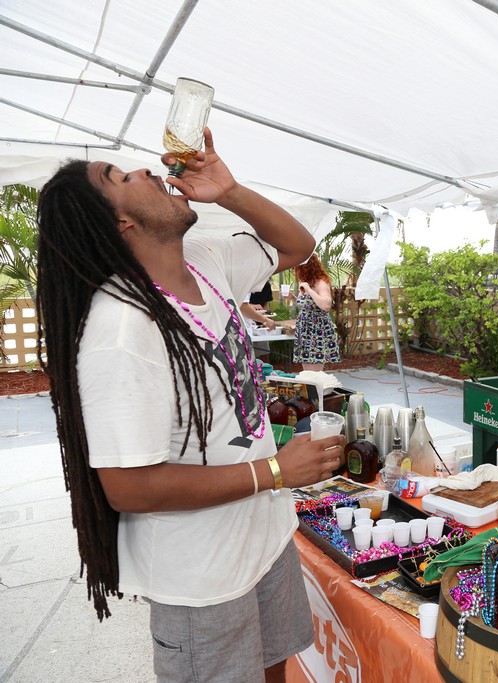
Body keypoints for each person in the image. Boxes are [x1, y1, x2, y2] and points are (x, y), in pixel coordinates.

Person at [34, 128, 344, 682]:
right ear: (119, 223)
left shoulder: (204, 259)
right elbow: (129, 486)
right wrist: (275, 471)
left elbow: (298, 247)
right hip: (202, 576)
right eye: (121, 177)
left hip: (264, 538)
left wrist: (229, 190)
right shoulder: (123, 327)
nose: (146, 170)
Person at [291, 253, 341, 372]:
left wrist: (309, 290)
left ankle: (317, 385)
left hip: (316, 329)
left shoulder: (321, 282)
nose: (298, 273)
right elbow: (308, 306)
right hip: (305, 330)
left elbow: (326, 305)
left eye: (299, 269)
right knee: (307, 371)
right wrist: (293, 298)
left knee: (315, 371)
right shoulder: (307, 282)